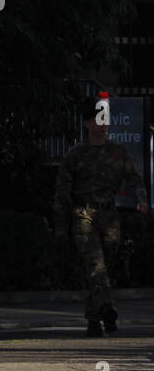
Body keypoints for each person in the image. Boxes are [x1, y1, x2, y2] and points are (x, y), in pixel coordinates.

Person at [53, 92, 148, 336]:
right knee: (95, 265)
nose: (103, 124)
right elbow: (63, 192)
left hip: (109, 218)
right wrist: (62, 226)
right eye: (98, 119)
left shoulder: (118, 151)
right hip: (83, 214)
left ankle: (94, 319)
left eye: (106, 119)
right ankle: (106, 307)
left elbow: (134, 179)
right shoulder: (76, 154)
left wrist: (141, 201)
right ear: (87, 123)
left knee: (104, 269)